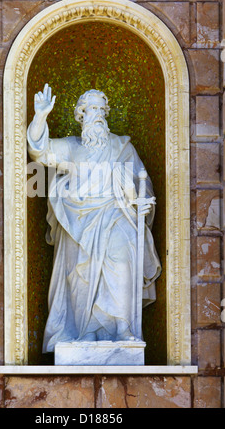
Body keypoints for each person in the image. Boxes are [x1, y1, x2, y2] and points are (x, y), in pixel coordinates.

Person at [27, 83, 161, 353]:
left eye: (102, 109)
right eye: (92, 110)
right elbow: (39, 152)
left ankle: (122, 328)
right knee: (81, 274)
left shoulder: (122, 146)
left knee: (122, 264)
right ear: (81, 115)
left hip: (116, 215)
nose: (98, 115)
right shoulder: (71, 147)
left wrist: (141, 203)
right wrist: (41, 116)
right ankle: (84, 331)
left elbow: (142, 183)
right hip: (78, 222)